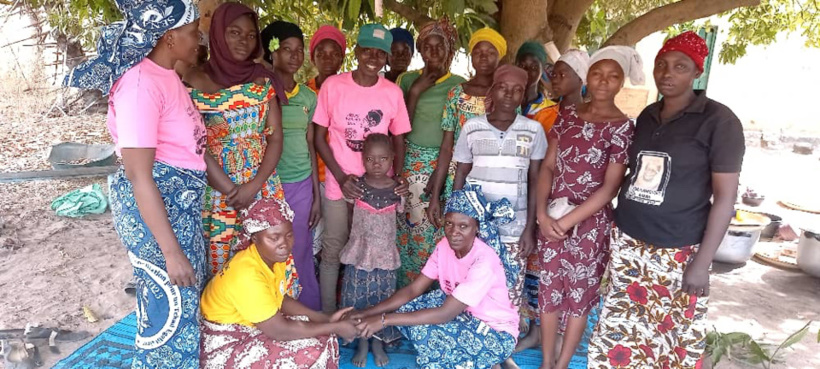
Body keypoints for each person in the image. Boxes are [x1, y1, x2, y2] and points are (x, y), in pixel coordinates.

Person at [588, 32, 745, 369]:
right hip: (630, 243)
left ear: (696, 72)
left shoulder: (719, 121)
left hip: (679, 250)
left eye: (680, 66)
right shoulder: (647, 115)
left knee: (670, 338)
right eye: (662, 65)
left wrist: (702, 263)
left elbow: (725, 199)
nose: (668, 73)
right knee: (622, 331)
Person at [65, 1, 205, 367]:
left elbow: (187, 147)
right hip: (158, 211)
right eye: (194, 32)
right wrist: (171, 252)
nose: (199, 39)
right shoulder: (141, 86)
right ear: (170, 38)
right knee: (169, 310)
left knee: (182, 308)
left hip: (176, 208)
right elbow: (138, 174)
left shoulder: (167, 77)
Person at [536, 45, 641, 369]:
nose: (603, 81)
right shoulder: (567, 115)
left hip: (589, 226)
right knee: (549, 294)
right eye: (597, 73)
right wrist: (541, 212)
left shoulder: (623, 127)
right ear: (588, 76)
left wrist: (567, 222)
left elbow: (610, 187)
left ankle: (563, 364)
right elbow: (549, 168)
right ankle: (546, 361)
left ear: (621, 82)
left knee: (577, 298)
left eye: (613, 76)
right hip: (551, 218)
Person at [350, 184, 520, 369]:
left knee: (427, 332)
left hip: (495, 331)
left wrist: (383, 320)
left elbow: (444, 314)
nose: (454, 233)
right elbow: (414, 289)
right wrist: (367, 313)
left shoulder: (484, 261)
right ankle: (484, 362)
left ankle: (490, 358)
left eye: (463, 226)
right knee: (411, 308)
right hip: (463, 314)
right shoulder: (444, 246)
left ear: (476, 228)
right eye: (449, 224)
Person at [183, 2, 290, 276]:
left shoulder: (263, 80)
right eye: (234, 32)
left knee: (268, 261)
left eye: (251, 35)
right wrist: (232, 191)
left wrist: (252, 187)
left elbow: (276, 139)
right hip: (218, 191)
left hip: (263, 186)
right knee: (224, 266)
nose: (244, 40)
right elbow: (196, 145)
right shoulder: (193, 80)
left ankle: (271, 318)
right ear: (218, 33)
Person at [452, 64, 546, 369]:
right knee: (474, 289)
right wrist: (456, 220)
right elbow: (461, 173)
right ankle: (481, 352)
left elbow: (535, 181)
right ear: (492, 90)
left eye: (517, 90)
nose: (510, 95)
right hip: (476, 229)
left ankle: (501, 355)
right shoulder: (472, 128)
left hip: (514, 228)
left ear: (524, 94)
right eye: (503, 87)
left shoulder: (533, 131)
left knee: (508, 293)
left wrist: (530, 229)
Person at [313, 23, 412, 314]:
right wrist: (342, 178)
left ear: (387, 57)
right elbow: (319, 137)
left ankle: (371, 319)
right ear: (355, 52)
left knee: (373, 253)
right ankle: (332, 318)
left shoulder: (392, 93)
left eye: (380, 53)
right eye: (366, 50)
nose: (373, 57)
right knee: (333, 250)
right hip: (339, 183)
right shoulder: (333, 87)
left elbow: (399, 139)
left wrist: (400, 176)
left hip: (378, 192)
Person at [199, 198, 359, 368]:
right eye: (274, 238)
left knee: (319, 334)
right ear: (255, 238)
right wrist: (333, 327)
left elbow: (279, 298)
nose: (284, 244)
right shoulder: (246, 274)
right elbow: (279, 330)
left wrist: (323, 318)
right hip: (222, 343)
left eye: (289, 235)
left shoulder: (272, 257)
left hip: (249, 325)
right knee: (310, 351)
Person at [394, 18, 466, 288]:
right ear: (421, 50)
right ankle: (406, 289)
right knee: (410, 230)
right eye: (427, 46)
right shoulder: (407, 79)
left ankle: (436, 290)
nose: (433, 52)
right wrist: (415, 91)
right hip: (411, 162)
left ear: (449, 50)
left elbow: (456, 136)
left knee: (438, 229)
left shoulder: (459, 85)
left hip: (443, 164)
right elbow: (398, 127)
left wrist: (441, 169)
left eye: (440, 47)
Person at [259, 20, 322, 310]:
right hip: (267, 183)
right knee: (269, 249)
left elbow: (311, 146)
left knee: (300, 248)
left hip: (300, 186)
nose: (295, 56)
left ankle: (308, 311)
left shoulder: (309, 97)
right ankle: (271, 309)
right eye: (287, 49)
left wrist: (316, 197)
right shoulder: (259, 92)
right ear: (272, 52)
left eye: (299, 50)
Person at [425, 26, 506, 249]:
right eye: (478, 52)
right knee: (456, 242)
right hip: (456, 180)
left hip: (492, 180)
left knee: (487, 243)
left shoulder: (505, 95)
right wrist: (436, 196)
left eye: (491, 53)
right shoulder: (456, 94)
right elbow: (446, 147)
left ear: (499, 57)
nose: (484, 57)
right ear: (471, 57)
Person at [338, 134, 403, 367]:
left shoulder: (398, 189)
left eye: (383, 158)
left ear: (392, 159)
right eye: (370, 159)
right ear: (362, 159)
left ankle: (377, 340)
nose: (377, 164)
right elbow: (348, 214)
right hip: (359, 253)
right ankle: (361, 341)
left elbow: (403, 215)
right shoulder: (356, 187)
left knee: (381, 298)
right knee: (357, 298)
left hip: (385, 255)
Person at [516, 41, 560, 132]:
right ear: (515, 65)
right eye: (522, 65)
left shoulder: (553, 110)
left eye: (534, 67)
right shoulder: (501, 101)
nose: (527, 71)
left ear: (542, 71)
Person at [307, 25, 346, 93]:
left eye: (334, 54)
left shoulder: (349, 91)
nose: (328, 59)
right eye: (321, 54)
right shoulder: (304, 92)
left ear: (341, 60)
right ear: (313, 59)